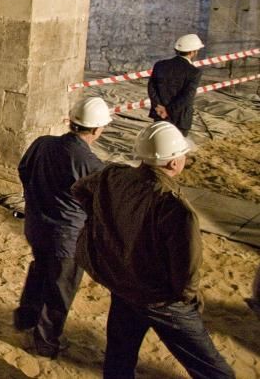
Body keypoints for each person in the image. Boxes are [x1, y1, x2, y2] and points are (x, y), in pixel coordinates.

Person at [73, 121, 234, 378]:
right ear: (172, 163)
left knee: (119, 356)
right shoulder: (174, 207)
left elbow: (80, 190)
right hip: (161, 299)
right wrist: (189, 300)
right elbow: (186, 268)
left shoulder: (113, 175)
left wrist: (106, 225)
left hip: (123, 286)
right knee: (213, 370)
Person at [12, 96, 112, 358]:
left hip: (36, 226)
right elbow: (101, 205)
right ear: (98, 129)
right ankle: (46, 342)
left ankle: (26, 319)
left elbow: (24, 169)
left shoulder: (43, 143)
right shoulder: (91, 165)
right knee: (60, 289)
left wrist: (37, 198)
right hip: (66, 237)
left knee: (39, 272)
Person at [148, 33, 204, 136]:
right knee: (177, 149)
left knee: (159, 145)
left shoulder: (160, 65)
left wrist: (158, 106)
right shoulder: (194, 72)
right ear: (193, 52)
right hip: (180, 118)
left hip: (160, 114)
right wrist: (168, 111)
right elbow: (188, 96)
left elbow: (151, 88)